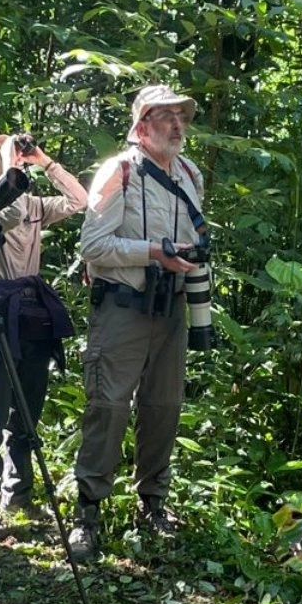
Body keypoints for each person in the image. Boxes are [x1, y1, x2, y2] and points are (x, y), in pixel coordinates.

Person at [69, 84, 207, 562]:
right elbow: (92, 246)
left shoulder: (190, 175)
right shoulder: (119, 172)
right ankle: (88, 510)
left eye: (181, 117)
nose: (177, 126)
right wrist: (151, 253)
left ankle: (153, 504)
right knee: (108, 405)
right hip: (123, 308)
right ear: (141, 126)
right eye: (165, 117)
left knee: (164, 407)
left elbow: (193, 243)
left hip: (171, 310)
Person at [0, 133, 86, 538]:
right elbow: (11, 212)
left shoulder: (35, 204)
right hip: (0, 311)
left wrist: (44, 161)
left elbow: (79, 201)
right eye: (1, 156)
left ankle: (18, 492)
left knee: (28, 407)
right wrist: (7, 158)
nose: (12, 156)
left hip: (32, 311)